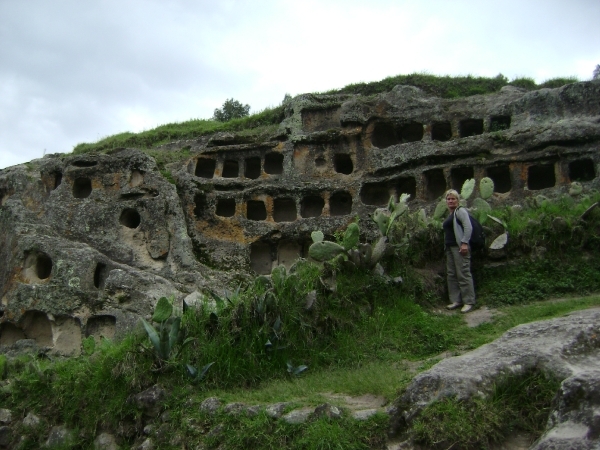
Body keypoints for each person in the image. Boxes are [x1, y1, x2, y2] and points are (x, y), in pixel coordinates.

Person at [443, 189, 476, 313]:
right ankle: (456, 300)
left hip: (459, 247)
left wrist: (464, 243)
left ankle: (468, 301)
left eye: (453, 198)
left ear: (458, 200)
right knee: (451, 274)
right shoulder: (450, 214)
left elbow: (468, 227)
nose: (450, 201)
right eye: (448, 199)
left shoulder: (460, 211)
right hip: (450, 248)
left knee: (463, 273)